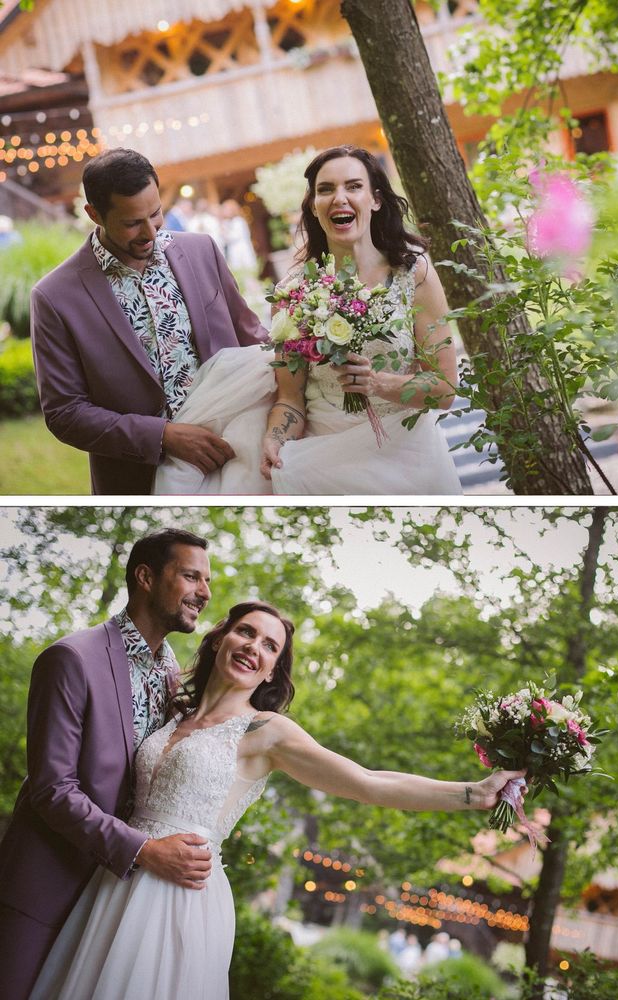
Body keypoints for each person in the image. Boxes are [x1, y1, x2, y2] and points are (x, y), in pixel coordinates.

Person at [27, 599, 525, 1000]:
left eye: (270, 646)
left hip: (180, 892)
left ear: (271, 672)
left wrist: (472, 793)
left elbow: (370, 782)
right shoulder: (169, 710)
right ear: (220, 637)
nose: (254, 648)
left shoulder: (267, 733)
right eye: (246, 632)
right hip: (118, 877)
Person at [153, 146, 462, 494]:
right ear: (314, 206)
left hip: (407, 455)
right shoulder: (292, 293)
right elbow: (291, 398)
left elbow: (445, 389)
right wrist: (275, 436)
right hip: (324, 460)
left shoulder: (413, 274)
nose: (339, 198)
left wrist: (377, 383)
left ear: (375, 200)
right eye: (326, 189)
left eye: (353, 186)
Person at [0, 529, 217, 1000]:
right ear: (145, 576)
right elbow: (53, 790)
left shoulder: (170, 674)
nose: (205, 592)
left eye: (207, 580)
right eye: (191, 577)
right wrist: (145, 851)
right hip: (46, 889)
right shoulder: (70, 659)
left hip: (113, 907)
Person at [29, 149, 266, 494]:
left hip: (238, 455)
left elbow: (252, 337)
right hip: (138, 480)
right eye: (131, 223)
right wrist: (162, 437)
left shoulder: (203, 250)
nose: (151, 233)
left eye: (155, 214)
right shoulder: (54, 296)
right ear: (94, 214)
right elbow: (65, 412)